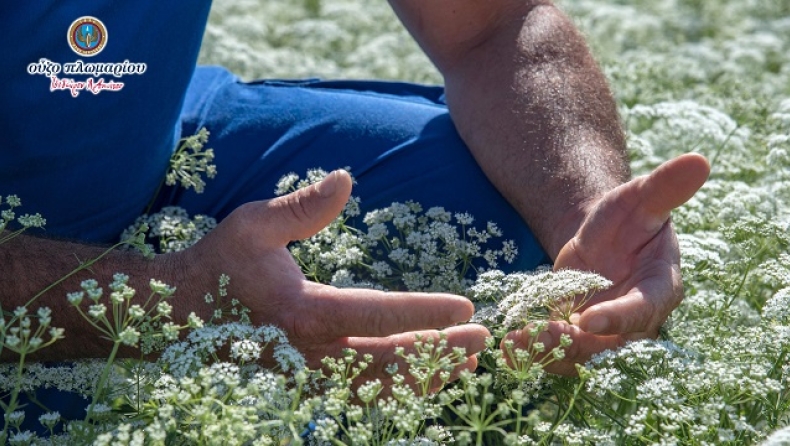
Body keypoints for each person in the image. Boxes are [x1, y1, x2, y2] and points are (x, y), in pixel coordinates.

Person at [1, 0, 709, 390]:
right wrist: (171, 303)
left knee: (507, 234)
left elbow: (493, 26)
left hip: (158, 139)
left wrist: (582, 209)